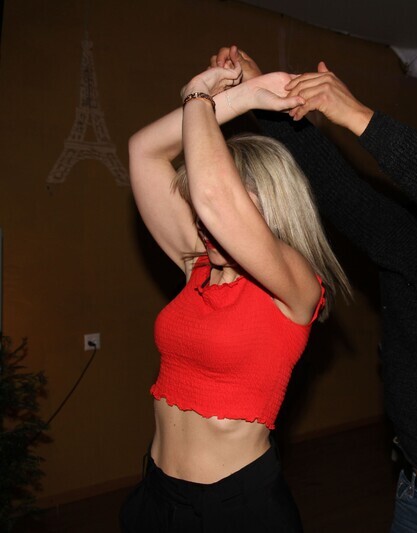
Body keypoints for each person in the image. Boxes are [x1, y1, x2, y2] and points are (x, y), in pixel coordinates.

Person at [212, 47, 417, 532]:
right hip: (416, 497)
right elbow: (336, 186)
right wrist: (262, 95)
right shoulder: (410, 248)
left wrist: (355, 114)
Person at [120, 57, 350, 532]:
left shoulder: (296, 285)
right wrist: (240, 97)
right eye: (199, 214)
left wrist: (197, 97)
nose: (205, 226)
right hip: (158, 494)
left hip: (235, 508)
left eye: (231, 209)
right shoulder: (199, 264)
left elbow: (215, 200)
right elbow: (143, 152)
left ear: (273, 207)